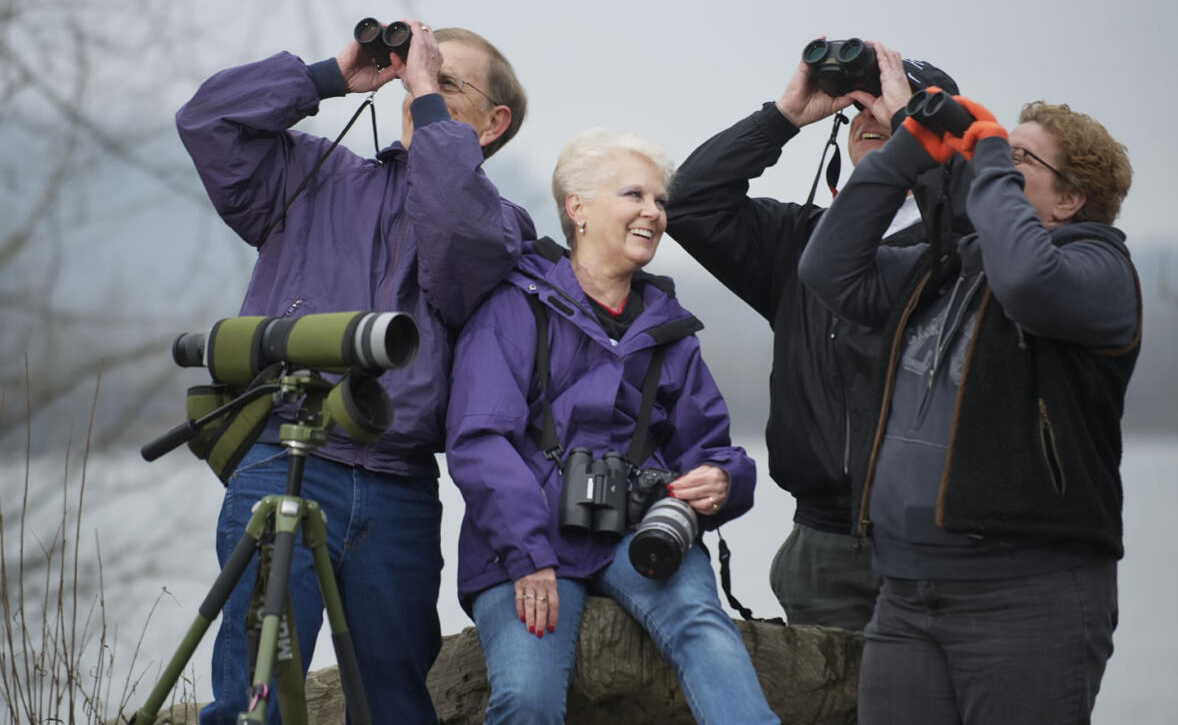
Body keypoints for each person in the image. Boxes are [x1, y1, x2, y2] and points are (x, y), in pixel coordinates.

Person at [176, 19, 536, 724]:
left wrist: (425, 96)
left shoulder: (501, 224)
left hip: (398, 488)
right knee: (255, 696)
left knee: (394, 702)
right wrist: (327, 78)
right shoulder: (314, 175)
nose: (416, 87)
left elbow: (455, 231)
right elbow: (208, 121)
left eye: (444, 79)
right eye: (413, 74)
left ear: (494, 123)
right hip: (280, 455)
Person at [798, 42, 1140, 723]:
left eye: (1020, 159)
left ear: (1071, 197)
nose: (999, 167)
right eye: (1000, 152)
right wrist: (909, 148)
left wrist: (983, 156)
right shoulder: (949, 263)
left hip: (1029, 594)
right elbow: (827, 270)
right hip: (905, 591)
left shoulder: (1099, 273)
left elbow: (1026, 281)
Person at [444, 128, 779, 724]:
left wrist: (723, 481)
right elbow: (479, 441)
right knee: (527, 697)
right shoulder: (511, 307)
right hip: (528, 538)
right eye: (634, 195)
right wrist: (528, 555)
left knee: (705, 629)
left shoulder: (671, 330)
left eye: (660, 201)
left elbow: (711, 448)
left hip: (637, 534)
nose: (654, 212)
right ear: (578, 208)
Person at [665, 39, 959, 629]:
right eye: (859, 108)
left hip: (941, 542)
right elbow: (691, 203)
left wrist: (911, 125)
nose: (869, 118)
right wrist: (783, 118)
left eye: (889, 105)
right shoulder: (800, 241)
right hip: (821, 541)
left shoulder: (965, 246)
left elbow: (976, 220)